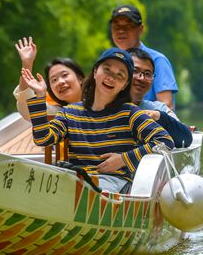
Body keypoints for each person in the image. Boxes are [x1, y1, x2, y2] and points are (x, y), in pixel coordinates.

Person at [23, 48, 173, 194]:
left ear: (125, 85)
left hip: (115, 186)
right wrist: (39, 97)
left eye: (120, 75)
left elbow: (165, 140)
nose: (111, 77)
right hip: (77, 182)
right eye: (107, 70)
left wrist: (123, 159)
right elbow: (43, 139)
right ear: (95, 72)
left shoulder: (130, 112)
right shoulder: (70, 112)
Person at [109, 4, 178, 109]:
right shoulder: (110, 61)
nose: (121, 31)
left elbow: (167, 106)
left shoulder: (157, 60)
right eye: (116, 26)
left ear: (140, 29)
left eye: (128, 26)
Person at [128, 47, 193, 148]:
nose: (141, 78)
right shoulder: (105, 106)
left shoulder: (157, 109)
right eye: (135, 71)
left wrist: (159, 117)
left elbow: (186, 139)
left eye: (147, 74)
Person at [13, 36, 85, 121]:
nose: (60, 82)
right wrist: (27, 63)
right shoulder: (57, 114)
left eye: (64, 75)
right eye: (54, 80)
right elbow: (29, 108)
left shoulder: (100, 101)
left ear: (80, 78)